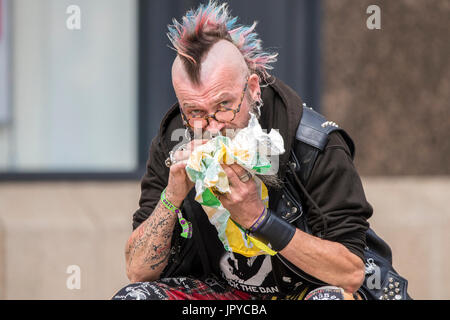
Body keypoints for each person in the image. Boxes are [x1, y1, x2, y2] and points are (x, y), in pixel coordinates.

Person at [112, 1, 372, 300]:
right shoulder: (173, 141)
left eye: (224, 106)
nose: (212, 126)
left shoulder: (315, 144)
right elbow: (138, 272)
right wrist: (172, 197)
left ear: (252, 88)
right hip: (222, 296)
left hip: (305, 291)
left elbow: (351, 274)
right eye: (195, 111)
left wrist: (258, 219)